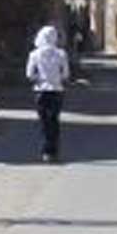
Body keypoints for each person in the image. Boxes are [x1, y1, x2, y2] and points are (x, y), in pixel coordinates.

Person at [26, 24, 70, 162]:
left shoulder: (34, 54)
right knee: (54, 121)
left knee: (44, 122)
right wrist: (57, 79)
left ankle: (46, 150)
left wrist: (39, 79)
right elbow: (66, 74)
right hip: (56, 91)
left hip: (41, 91)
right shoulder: (61, 54)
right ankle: (54, 150)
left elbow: (29, 74)